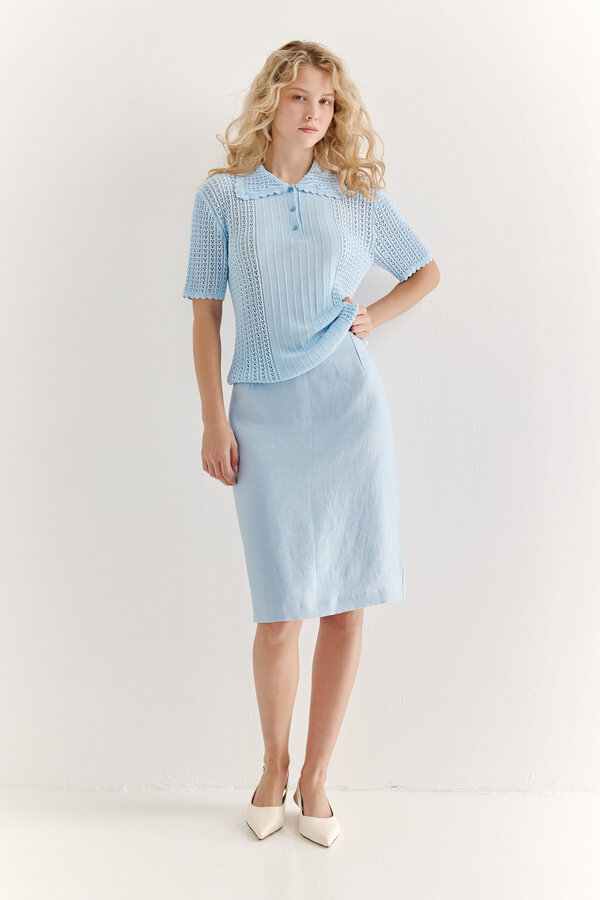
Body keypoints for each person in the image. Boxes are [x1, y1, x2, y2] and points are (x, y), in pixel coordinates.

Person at [182, 40, 440, 847]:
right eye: (300, 97)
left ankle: (318, 778)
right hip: (262, 414)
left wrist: (372, 317)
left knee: (345, 605)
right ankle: (273, 766)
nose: (314, 114)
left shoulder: (353, 195)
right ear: (271, 101)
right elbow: (206, 314)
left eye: (326, 102)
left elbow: (424, 271)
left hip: (347, 413)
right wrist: (213, 418)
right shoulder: (223, 198)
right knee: (280, 611)